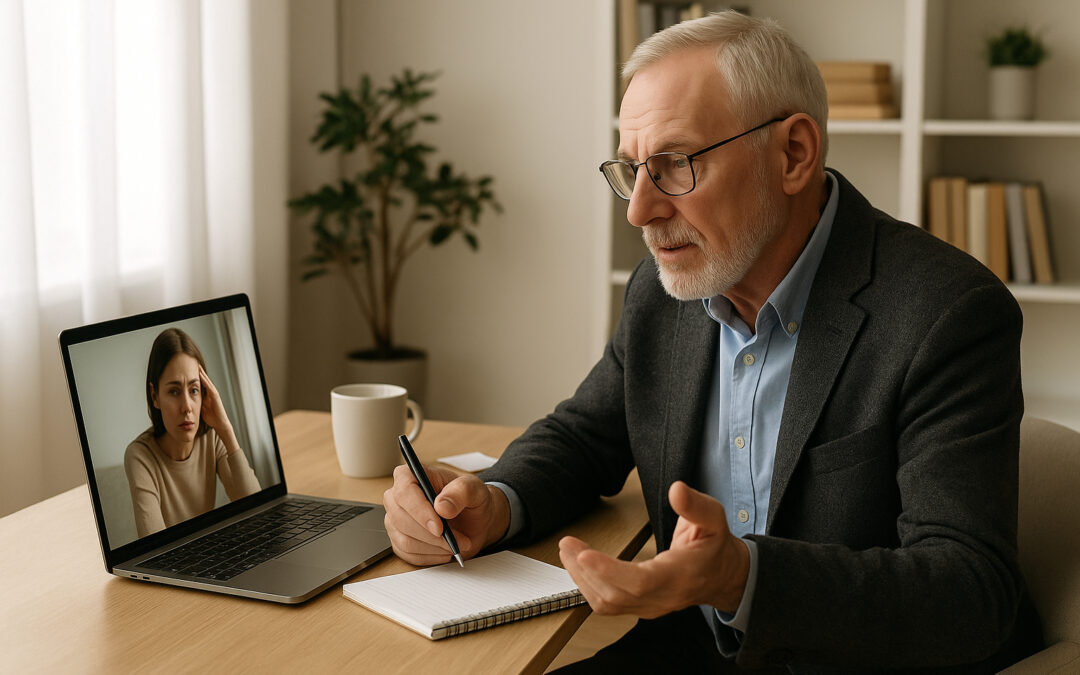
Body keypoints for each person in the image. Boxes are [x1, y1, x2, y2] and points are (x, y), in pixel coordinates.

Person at [383, 11, 1042, 672]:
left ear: (793, 154)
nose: (640, 209)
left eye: (673, 165)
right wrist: (493, 502)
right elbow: (585, 436)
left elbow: (969, 592)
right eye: (632, 169)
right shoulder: (665, 290)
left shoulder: (945, 313)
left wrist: (741, 576)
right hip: (695, 649)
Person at [125, 327, 261, 537]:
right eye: (174, 391)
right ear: (155, 396)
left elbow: (256, 510)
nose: (187, 406)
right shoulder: (140, 456)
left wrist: (226, 428)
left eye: (194, 390)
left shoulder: (213, 438)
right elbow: (153, 547)